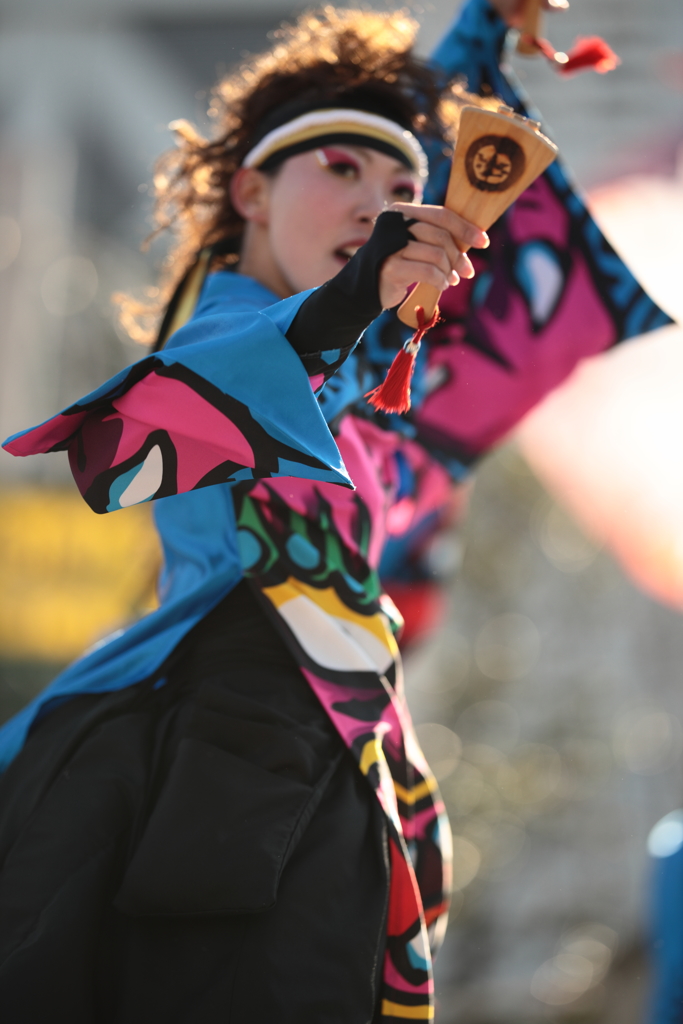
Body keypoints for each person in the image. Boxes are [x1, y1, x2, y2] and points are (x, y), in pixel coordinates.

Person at [0, 2, 669, 1022]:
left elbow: (428, 130)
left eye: (404, 188)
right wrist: (367, 285)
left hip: (342, 770)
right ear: (249, 193)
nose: (378, 204)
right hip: (202, 760)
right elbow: (143, 440)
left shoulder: (369, 371)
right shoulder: (230, 332)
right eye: (340, 172)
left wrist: (487, 26)